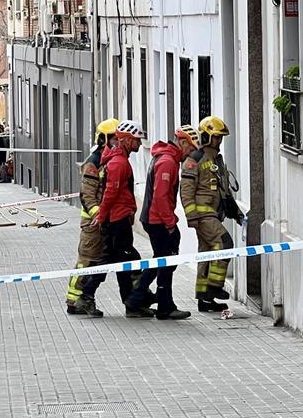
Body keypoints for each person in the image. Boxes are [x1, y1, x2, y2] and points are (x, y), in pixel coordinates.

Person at [124, 125, 201, 320]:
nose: (190, 155)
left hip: (155, 218)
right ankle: (148, 300)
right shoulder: (168, 162)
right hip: (158, 220)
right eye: (190, 149)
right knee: (165, 261)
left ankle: (151, 299)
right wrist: (170, 224)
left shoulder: (166, 158)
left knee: (163, 260)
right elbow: (160, 197)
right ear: (183, 143)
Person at [74, 120, 149, 317]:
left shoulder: (117, 160)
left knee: (123, 262)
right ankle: (86, 296)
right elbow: (109, 193)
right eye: (136, 141)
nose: (140, 145)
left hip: (117, 218)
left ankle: (132, 303)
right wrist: (101, 215)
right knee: (111, 261)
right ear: (125, 140)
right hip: (114, 221)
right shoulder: (117, 163)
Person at [181, 115, 245, 313]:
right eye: (215, 137)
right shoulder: (195, 160)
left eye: (220, 137)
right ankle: (215, 288)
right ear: (206, 136)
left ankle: (204, 299)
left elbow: (224, 190)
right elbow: (186, 190)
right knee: (224, 243)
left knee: (207, 254)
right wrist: (191, 216)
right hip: (202, 215)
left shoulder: (217, 159)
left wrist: (235, 212)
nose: (218, 141)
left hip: (213, 214)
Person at [66, 118, 119, 314]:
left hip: (103, 220)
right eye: (114, 139)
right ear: (104, 139)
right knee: (87, 260)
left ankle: (80, 300)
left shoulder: (110, 160)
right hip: (92, 222)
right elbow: (88, 195)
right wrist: (99, 215)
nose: (117, 143)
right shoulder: (93, 163)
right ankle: (75, 300)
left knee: (98, 261)